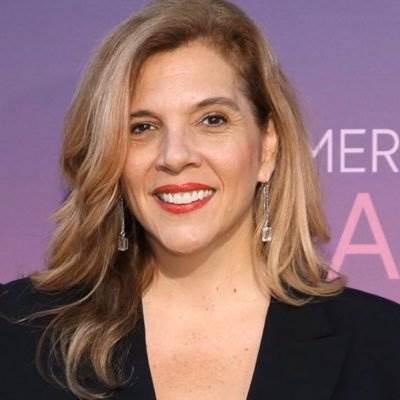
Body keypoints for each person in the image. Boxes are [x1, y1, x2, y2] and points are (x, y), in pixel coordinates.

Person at [1, 0, 399, 399]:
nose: (174, 156)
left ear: (267, 148)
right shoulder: (14, 333)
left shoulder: (382, 346)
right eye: (142, 127)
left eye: (212, 120)